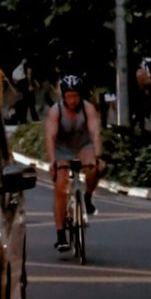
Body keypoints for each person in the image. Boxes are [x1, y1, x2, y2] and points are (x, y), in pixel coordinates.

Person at [47, 76, 103, 255]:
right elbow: (51, 137)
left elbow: (95, 133)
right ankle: (61, 235)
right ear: (64, 96)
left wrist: (98, 155)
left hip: (83, 146)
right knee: (61, 186)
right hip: (62, 149)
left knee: (94, 168)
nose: (73, 100)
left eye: (76, 96)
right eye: (69, 96)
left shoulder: (88, 108)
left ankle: (87, 197)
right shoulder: (56, 111)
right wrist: (52, 161)